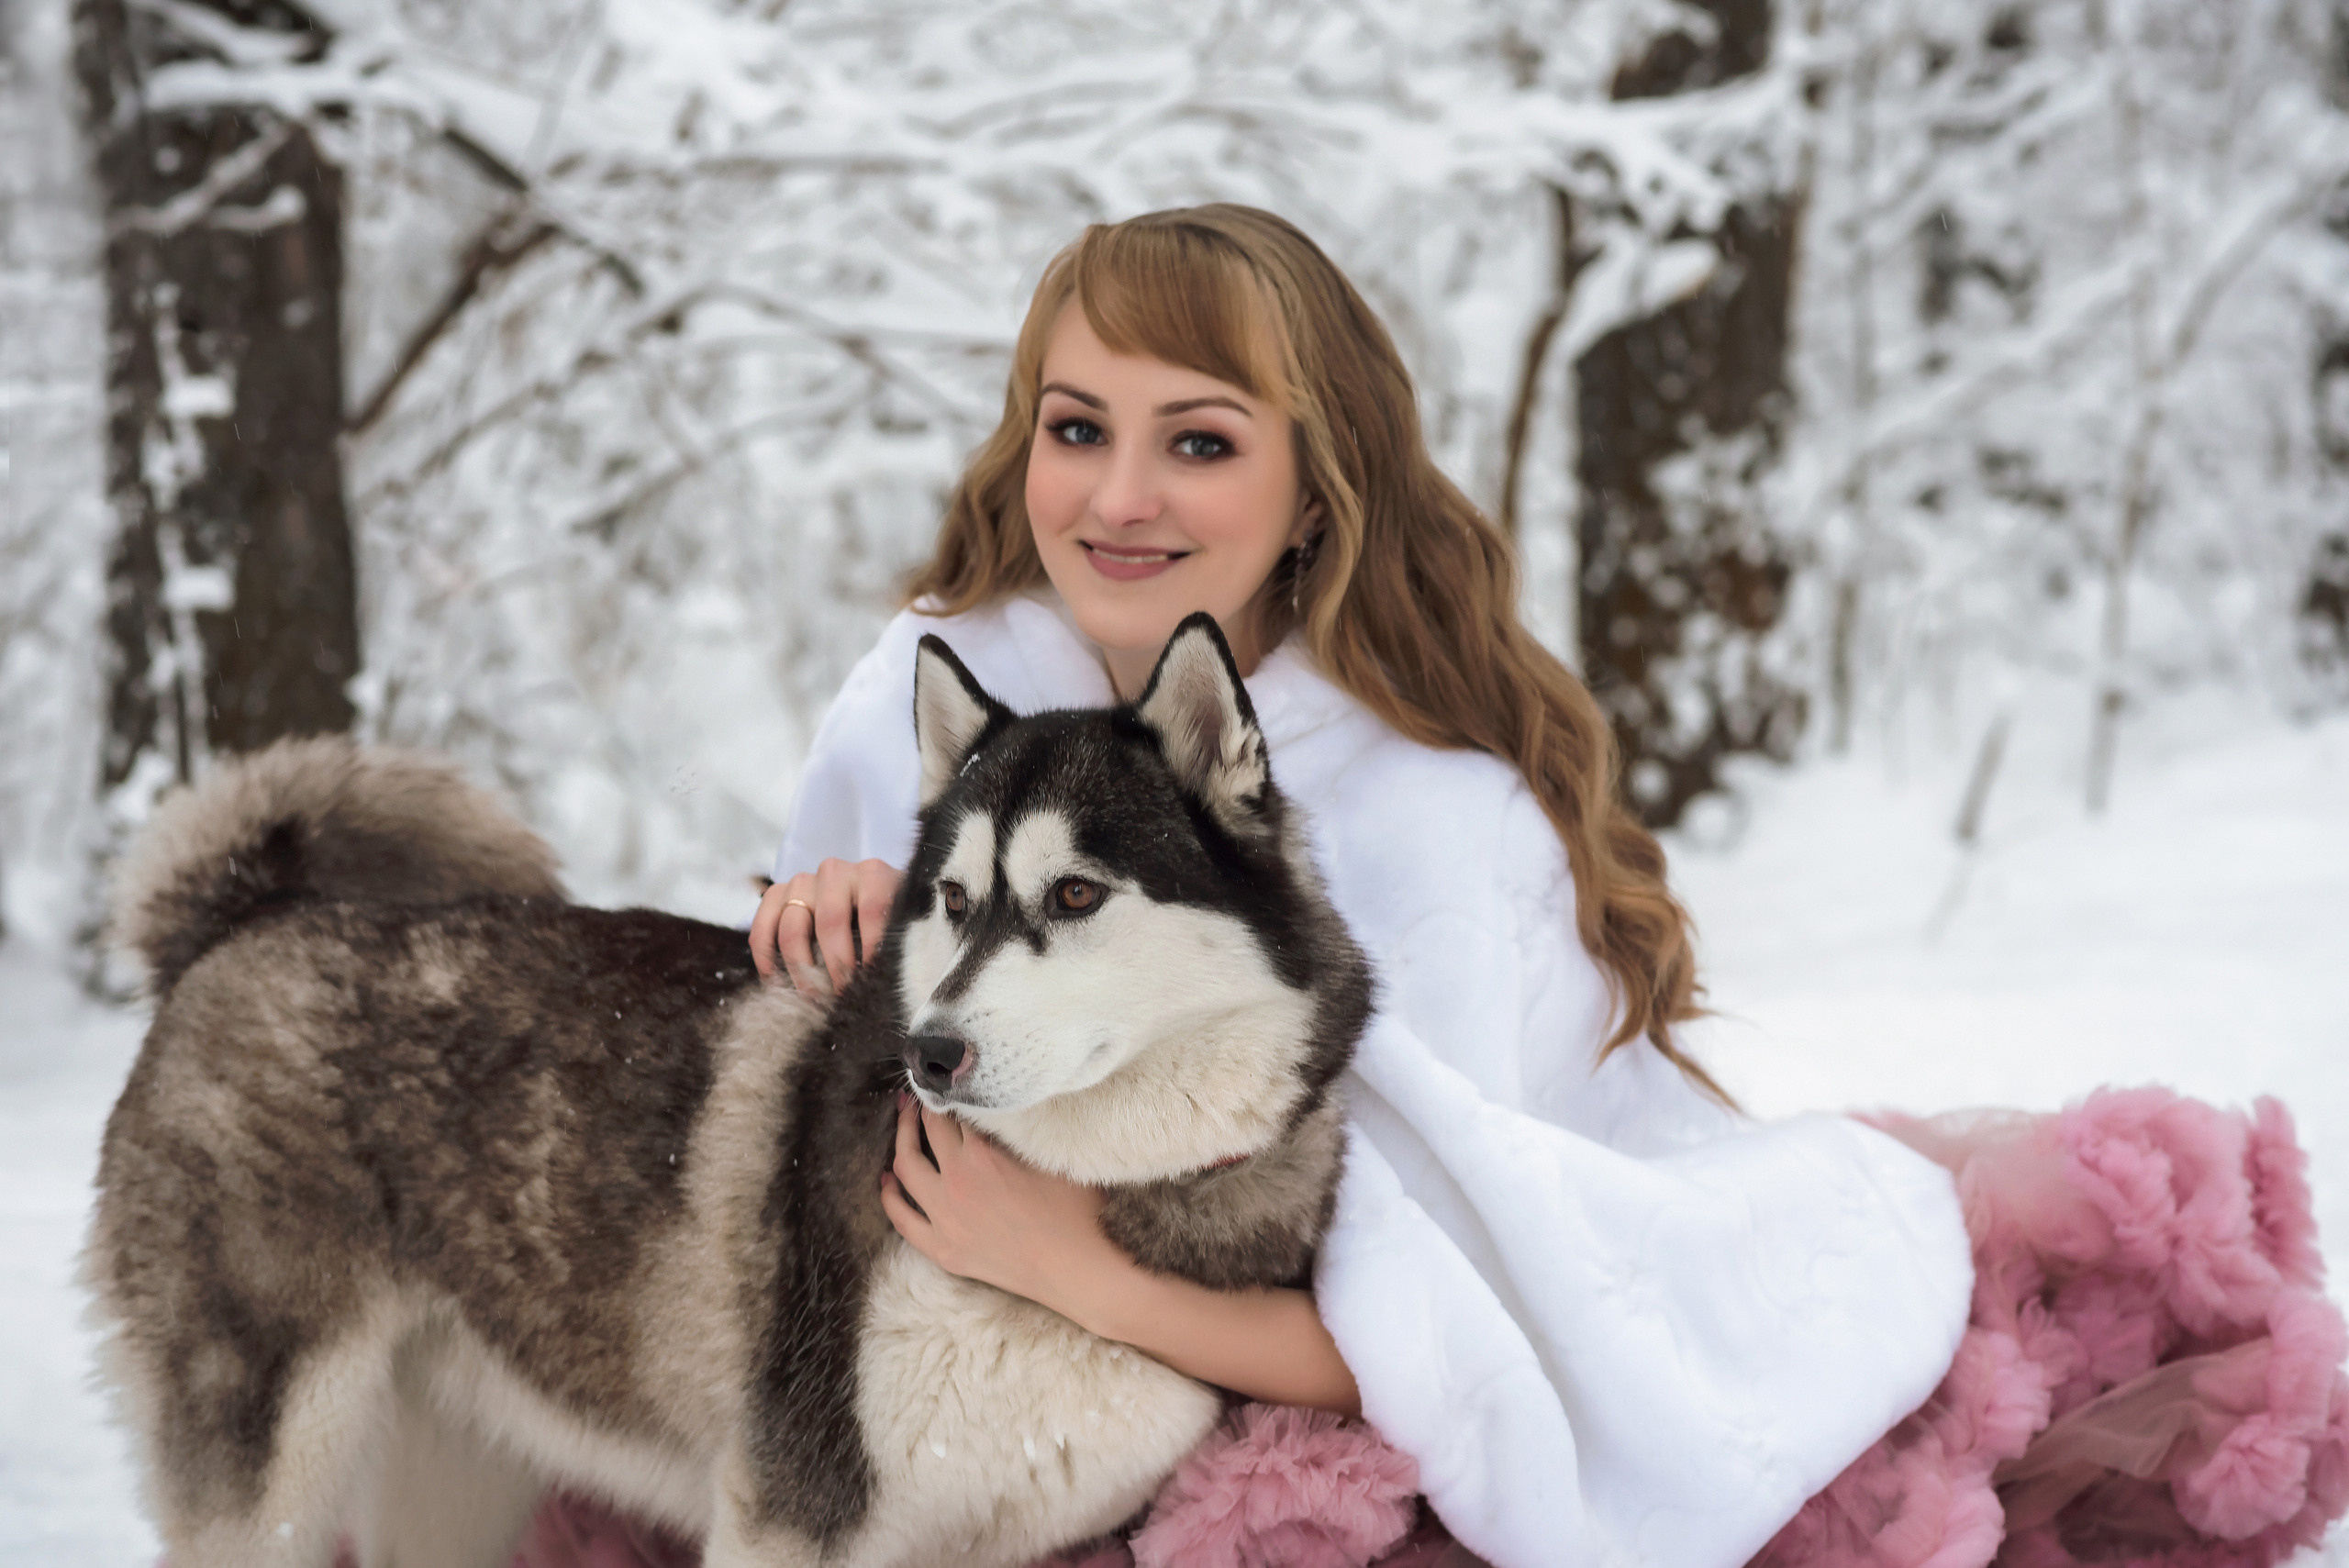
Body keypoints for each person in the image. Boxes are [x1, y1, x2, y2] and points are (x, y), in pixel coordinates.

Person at [730, 205, 1975, 1567]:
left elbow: (1462, 1350)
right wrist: (822, 925)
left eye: (1197, 442)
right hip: (911, 1449)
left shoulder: (1438, 809)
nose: (1118, 497)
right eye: (1078, 427)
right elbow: (771, 1178)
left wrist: (1083, 1267)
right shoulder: (937, 685)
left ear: (1316, 487)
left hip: (1275, 1458)